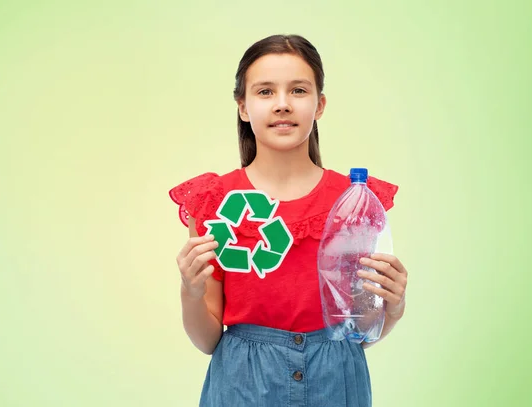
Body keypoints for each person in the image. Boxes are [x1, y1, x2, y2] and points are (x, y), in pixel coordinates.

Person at [169, 34, 408, 407]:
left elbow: (359, 330)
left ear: (320, 104)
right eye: (265, 92)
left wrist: (391, 308)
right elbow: (207, 340)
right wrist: (190, 291)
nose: (282, 105)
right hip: (241, 383)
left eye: (298, 90)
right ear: (243, 107)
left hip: (337, 379)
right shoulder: (213, 202)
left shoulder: (355, 200)